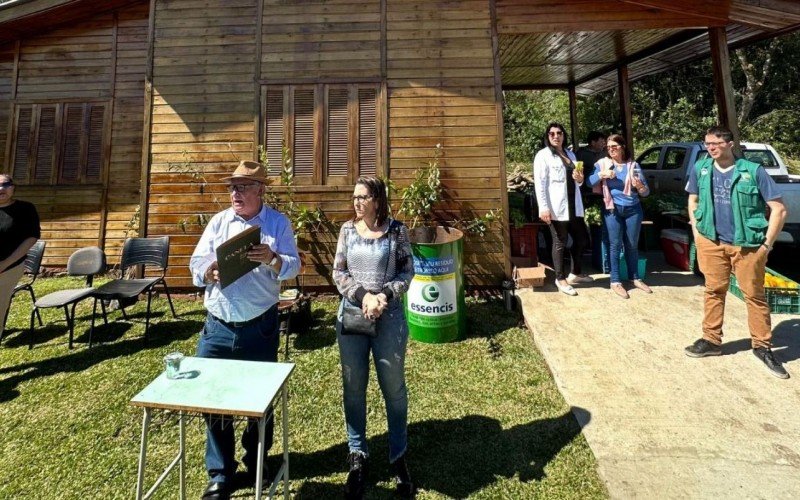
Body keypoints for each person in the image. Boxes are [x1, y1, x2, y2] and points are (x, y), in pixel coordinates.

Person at [189, 160, 300, 500]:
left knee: (260, 400)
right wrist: (208, 272)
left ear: (260, 190)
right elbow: (194, 265)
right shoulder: (219, 222)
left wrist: (272, 258)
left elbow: (294, 265)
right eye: (232, 187)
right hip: (218, 326)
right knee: (211, 399)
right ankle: (221, 473)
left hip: (259, 326)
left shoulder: (277, 223)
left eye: (242, 186)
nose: (235, 193)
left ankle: (255, 462)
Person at [333, 177, 415, 499]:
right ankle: (358, 455)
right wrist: (364, 296)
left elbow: (407, 272)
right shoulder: (346, 232)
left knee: (393, 389)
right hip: (352, 318)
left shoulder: (397, 231)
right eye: (355, 197)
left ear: (377, 200)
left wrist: (383, 297)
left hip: (389, 319)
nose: (357, 202)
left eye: (363, 197)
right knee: (353, 387)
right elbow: (339, 273)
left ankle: (398, 456)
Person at [684, 125, 789, 379]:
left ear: (730, 144)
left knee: (754, 295)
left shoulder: (753, 171)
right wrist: (697, 232)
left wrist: (767, 245)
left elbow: (778, 209)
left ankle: (762, 347)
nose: (711, 148)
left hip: (747, 245)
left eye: (716, 143)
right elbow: (693, 200)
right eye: (707, 143)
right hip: (711, 241)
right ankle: (711, 341)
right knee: (713, 290)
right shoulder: (701, 168)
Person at [587, 134, 651, 299]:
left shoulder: (633, 166)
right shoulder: (603, 165)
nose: (611, 150)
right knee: (615, 244)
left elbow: (646, 192)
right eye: (608, 147)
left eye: (614, 146)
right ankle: (615, 281)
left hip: (633, 209)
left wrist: (640, 186)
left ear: (623, 147)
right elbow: (588, 182)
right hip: (612, 209)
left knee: (632, 244)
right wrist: (602, 175)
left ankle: (635, 277)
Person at [533, 122, 592, 296]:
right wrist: (543, 207)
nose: (556, 136)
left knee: (582, 239)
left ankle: (575, 273)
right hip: (555, 206)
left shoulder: (571, 154)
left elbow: (579, 182)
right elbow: (540, 184)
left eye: (559, 133)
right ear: (548, 136)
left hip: (573, 205)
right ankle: (560, 278)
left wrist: (580, 178)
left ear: (563, 135)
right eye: (552, 134)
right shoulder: (542, 156)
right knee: (560, 241)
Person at [0, 174, 41, 338]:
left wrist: (5, 263)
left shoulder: (25, 209)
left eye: (5, 184)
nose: (1, 188)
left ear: (13, 188)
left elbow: (31, 237)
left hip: (9, 267)